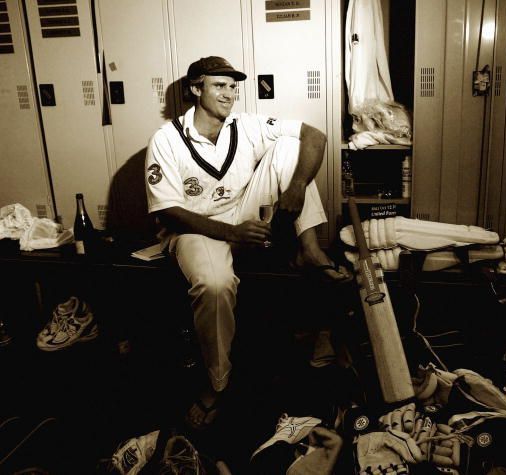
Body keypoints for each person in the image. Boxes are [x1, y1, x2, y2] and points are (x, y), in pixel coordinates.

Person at [144, 56, 352, 429]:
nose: (230, 93)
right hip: (193, 228)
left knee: (290, 146)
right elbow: (167, 211)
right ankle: (217, 383)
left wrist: (297, 186)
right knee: (215, 284)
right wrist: (230, 233)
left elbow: (315, 136)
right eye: (219, 85)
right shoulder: (166, 139)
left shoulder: (246, 125)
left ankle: (310, 250)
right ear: (196, 89)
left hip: (240, 214)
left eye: (233, 86)